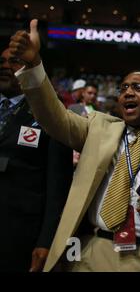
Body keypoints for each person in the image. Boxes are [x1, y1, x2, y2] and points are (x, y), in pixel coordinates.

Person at [9, 19, 140, 272]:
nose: (128, 92)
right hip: (92, 252)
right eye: (123, 88)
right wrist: (34, 65)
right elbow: (53, 117)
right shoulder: (97, 128)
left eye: (138, 87)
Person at [0, 46, 72, 272]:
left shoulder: (49, 111)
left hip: (19, 232)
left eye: (13, 61)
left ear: (31, 68)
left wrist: (47, 239)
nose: (4, 66)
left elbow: (58, 184)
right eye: (1, 61)